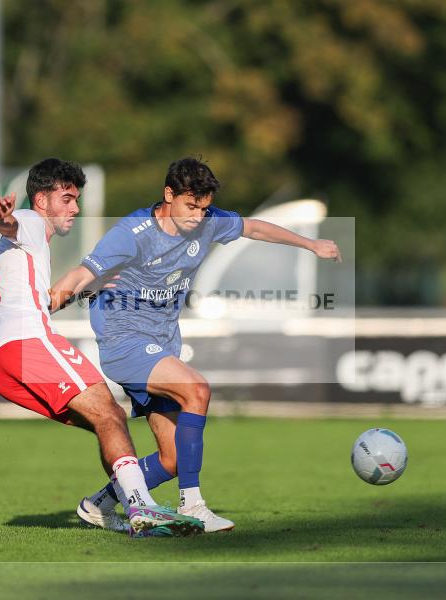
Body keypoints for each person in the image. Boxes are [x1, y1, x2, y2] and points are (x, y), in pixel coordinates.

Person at [50, 156, 340, 532]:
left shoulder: (206, 222)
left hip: (162, 343)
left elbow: (253, 228)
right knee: (197, 389)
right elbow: (82, 274)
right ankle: (195, 505)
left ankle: (100, 503)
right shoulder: (133, 232)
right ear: (168, 194)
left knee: (171, 459)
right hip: (125, 340)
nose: (197, 217)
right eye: (190, 206)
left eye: (203, 208)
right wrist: (44, 306)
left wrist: (311, 244)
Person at [0, 158, 204, 538]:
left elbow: (47, 300)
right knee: (109, 412)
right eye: (67, 199)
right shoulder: (31, 222)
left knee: (107, 420)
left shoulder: (30, 249)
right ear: (41, 200)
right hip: (26, 342)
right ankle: (142, 508)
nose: (75, 209)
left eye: (76, 199)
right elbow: (5, 222)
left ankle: (104, 505)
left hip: (1, 359)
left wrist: (90, 286)